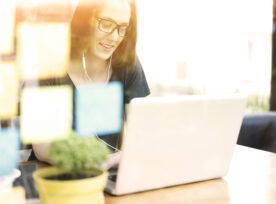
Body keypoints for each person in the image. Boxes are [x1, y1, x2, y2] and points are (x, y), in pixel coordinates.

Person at [32, 0, 150, 168]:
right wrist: (102, 161)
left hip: (106, 175)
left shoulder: (127, 64)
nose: (115, 37)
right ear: (84, 20)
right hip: (55, 176)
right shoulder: (51, 64)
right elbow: (43, 146)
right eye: (107, 24)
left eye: (123, 28)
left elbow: (143, 129)